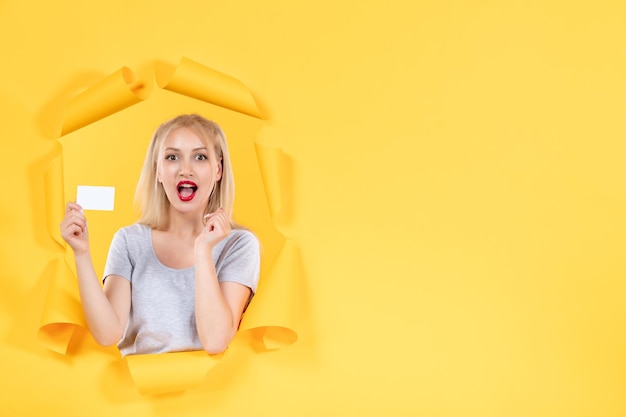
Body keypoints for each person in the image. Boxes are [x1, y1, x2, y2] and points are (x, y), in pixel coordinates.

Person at [60, 114, 260, 356]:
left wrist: (203, 250)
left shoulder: (239, 245)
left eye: (200, 157)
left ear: (218, 169)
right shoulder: (129, 241)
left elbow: (216, 340)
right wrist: (81, 253)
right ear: (158, 171)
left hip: (212, 392)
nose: (185, 170)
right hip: (137, 389)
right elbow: (107, 333)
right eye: (172, 157)